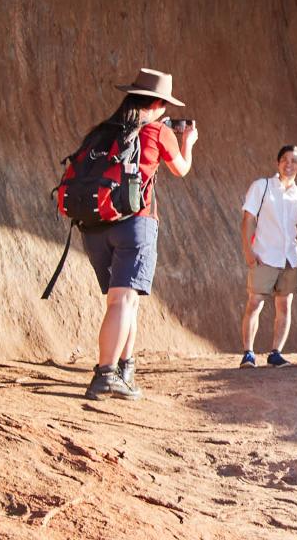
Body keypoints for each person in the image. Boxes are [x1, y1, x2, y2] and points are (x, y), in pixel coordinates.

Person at [79, 69, 197, 400]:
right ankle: (105, 375)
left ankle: (124, 366)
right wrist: (187, 142)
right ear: (159, 104)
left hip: (94, 225)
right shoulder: (158, 131)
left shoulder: (102, 130)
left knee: (124, 300)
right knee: (122, 300)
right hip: (135, 223)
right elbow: (181, 168)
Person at [239, 145, 297, 369]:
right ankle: (248, 353)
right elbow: (248, 219)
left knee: (284, 306)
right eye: (284, 160)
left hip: (289, 258)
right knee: (255, 302)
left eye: (294, 161)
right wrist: (248, 251)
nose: (288, 164)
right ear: (278, 163)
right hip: (264, 254)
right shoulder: (262, 187)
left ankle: (276, 353)